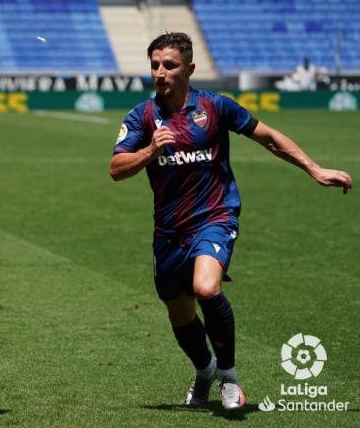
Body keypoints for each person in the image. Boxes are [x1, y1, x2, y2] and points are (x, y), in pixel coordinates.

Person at [109, 32, 352, 411]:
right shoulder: (141, 116)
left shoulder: (216, 106)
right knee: (180, 311)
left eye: (169, 65)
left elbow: (268, 137)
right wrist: (150, 151)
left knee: (206, 288)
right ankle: (204, 370)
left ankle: (229, 378)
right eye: (155, 65)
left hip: (216, 215)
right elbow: (115, 168)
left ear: (189, 68)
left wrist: (314, 169)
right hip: (170, 230)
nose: (160, 72)